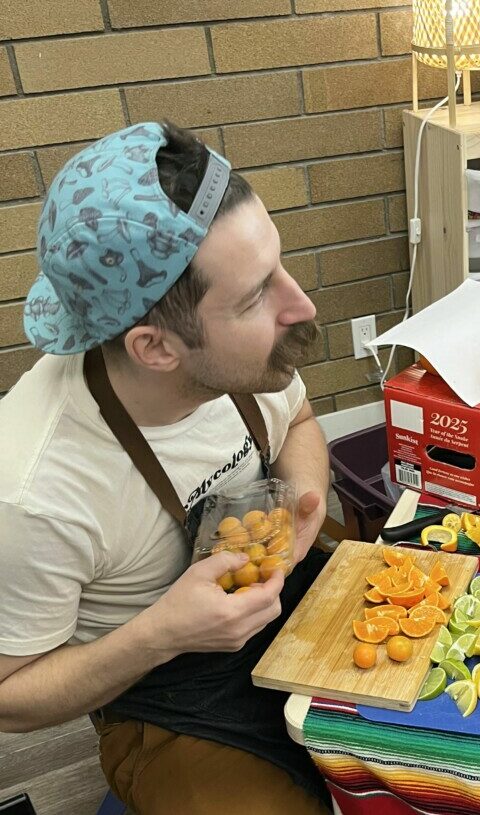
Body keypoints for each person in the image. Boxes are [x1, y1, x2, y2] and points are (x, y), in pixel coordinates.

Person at [0, 122, 332, 814]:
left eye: (277, 264)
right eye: (253, 297)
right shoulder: (33, 491)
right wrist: (165, 630)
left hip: (288, 610)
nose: (299, 305)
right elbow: (8, 697)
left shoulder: (244, 360)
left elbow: (298, 424)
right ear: (155, 349)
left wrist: (304, 497)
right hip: (166, 701)